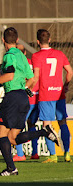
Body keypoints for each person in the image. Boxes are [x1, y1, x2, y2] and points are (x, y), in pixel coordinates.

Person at [0, 27, 59, 176]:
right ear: (17, 40)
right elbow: (32, 78)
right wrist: (25, 91)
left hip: (13, 97)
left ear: (3, 40)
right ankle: (44, 131)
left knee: (1, 132)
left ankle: (11, 169)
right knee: (13, 139)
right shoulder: (22, 56)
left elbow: (8, 76)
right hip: (22, 98)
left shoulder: (9, 55)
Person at [31, 29, 73, 163]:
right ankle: (67, 153)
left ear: (38, 42)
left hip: (45, 94)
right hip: (59, 94)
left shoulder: (36, 56)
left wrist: (28, 87)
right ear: (49, 40)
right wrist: (65, 85)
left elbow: (36, 76)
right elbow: (70, 72)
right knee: (63, 123)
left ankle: (53, 156)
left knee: (47, 125)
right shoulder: (59, 54)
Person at [13, 44, 40, 161]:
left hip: (24, 99)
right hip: (37, 98)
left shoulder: (16, 64)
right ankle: (35, 152)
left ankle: (20, 153)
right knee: (32, 125)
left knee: (16, 125)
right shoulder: (33, 63)